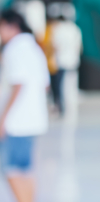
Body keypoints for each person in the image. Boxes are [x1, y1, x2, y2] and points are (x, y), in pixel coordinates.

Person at [0, 10, 50, 202]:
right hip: (33, 119)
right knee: (25, 168)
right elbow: (45, 85)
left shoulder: (14, 49)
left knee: (11, 168)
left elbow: (18, 84)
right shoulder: (35, 48)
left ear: (10, 26)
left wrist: (3, 118)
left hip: (16, 121)